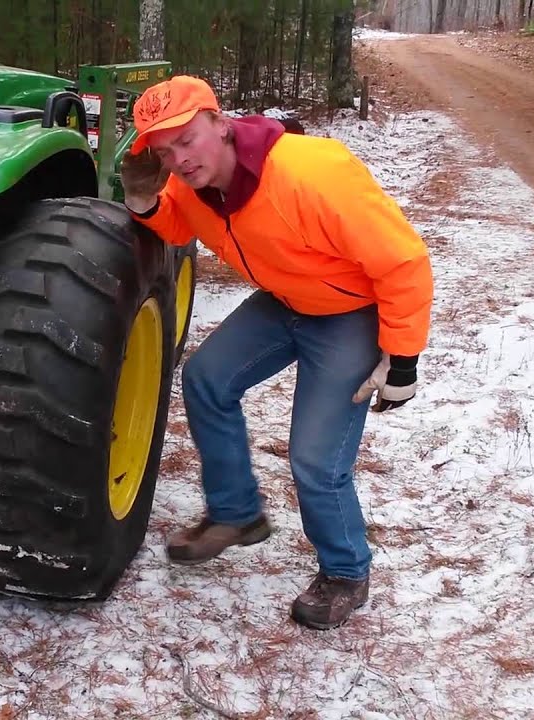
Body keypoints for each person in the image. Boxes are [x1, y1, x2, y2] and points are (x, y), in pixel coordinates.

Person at [121, 75, 433, 630]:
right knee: (205, 379)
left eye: (187, 140)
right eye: (164, 153)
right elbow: (175, 225)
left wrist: (402, 357)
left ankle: (345, 570)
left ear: (220, 123)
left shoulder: (311, 172)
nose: (179, 159)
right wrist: (144, 198)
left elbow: (402, 260)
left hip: (348, 312)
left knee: (315, 458)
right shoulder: (191, 186)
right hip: (286, 301)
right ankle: (236, 515)